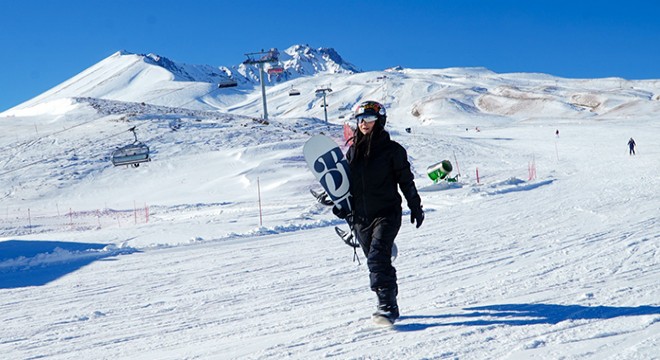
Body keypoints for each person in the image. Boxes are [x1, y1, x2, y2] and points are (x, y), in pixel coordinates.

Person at [333, 100, 424, 323]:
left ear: (380, 121)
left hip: (386, 213)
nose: (364, 123)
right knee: (376, 260)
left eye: (370, 119)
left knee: (376, 259)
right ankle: (384, 253)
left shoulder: (393, 151)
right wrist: (340, 204)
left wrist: (415, 205)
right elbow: (346, 185)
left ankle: (387, 306)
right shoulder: (352, 151)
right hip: (360, 218)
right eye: (360, 119)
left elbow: (406, 180)